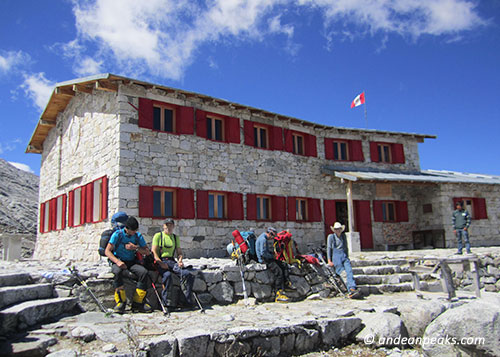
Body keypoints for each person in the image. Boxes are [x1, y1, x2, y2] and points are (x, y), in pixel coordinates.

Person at [105, 216, 152, 313]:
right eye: (132, 230)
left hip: (131, 261)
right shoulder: (117, 235)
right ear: (127, 228)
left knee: (143, 272)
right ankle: (121, 302)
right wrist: (118, 262)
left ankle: (138, 302)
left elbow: (147, 251)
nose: (134, 232)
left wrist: (135, 248)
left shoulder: (137, 236)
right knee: (117, 272)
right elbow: (107, 251)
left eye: (136, 230)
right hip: (117, 260)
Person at [152, 218, 195, 309]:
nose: (169, 227)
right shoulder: (158, 236)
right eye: (167, 225)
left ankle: (186, 300)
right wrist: (160, 263)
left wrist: (180, 261)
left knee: (188, 275)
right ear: (163, 226)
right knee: (167, 276)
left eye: (171, 225)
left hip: (171, 261)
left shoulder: (175, 238)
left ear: (173, 226)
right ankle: (166, 302)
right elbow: (154, 252)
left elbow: (179, 252)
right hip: (161, 261)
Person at [256, 227, 290, 302]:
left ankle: (286, 286)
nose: (272, 239)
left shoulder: (263, 237)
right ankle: (278, 294)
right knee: (279, 272)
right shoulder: (263, 239)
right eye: (272, 236)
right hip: (264, 260)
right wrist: (272, 256)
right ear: (270, 234)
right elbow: (263, 253)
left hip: (267, 258)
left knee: (283, 265)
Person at [327, 222, 358, 298]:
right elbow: (329, 249)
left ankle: (352, 288)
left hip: (344, 255)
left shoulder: (343, 236)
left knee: (349, 270)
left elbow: (346, 247)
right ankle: (349, 289)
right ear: (334, 230)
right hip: (336, 256)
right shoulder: (331, 237)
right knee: (342, 272)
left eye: (339, 229)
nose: (338, 230)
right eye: (336, 229)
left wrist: (347, 257)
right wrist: (329, 260)